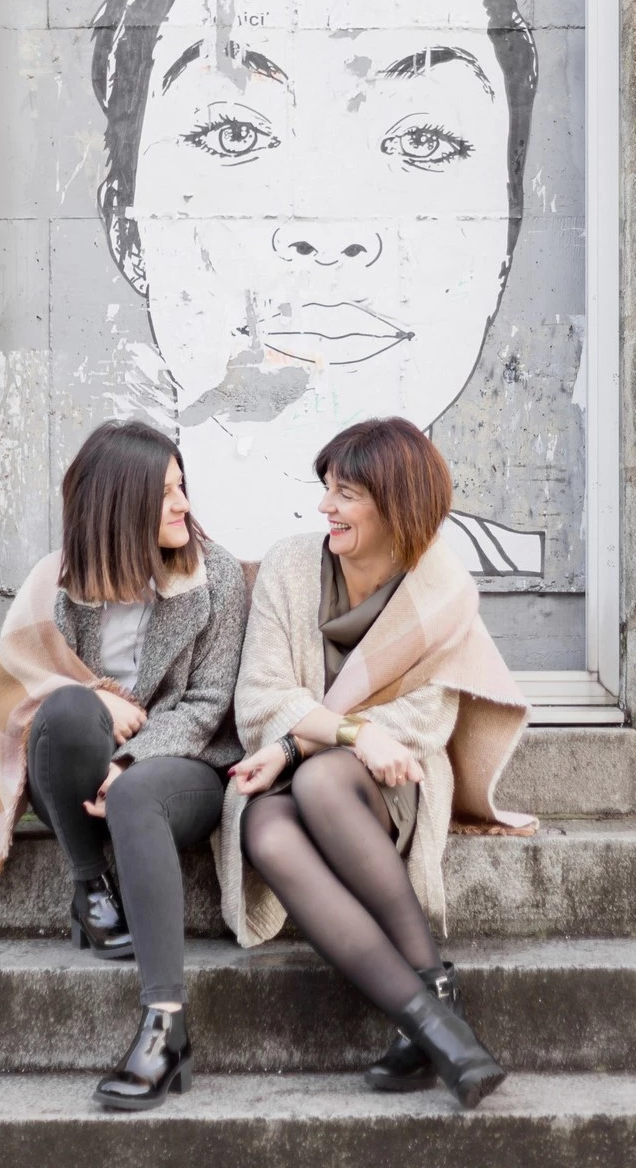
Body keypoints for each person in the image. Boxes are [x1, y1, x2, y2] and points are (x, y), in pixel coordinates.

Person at [86, 0, 551, 573]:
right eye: (234, 135)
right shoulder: (81, 593)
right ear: (127, 228)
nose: (333, 225)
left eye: (424, 140)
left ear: (506, 236)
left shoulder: (518, 595)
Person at [215, 416, 534, 1109]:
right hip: (294, 770)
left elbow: (425, 721)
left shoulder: (440, 588)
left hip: (394, 783)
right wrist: (350, 733)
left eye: (348, 494)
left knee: (326, 779)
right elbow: (262, 693)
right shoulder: (292, 566)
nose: (326, 506)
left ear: (398, 506)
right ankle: (437, 1018)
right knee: (263, 829)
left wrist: (311, 741)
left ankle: (430, 998)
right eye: (327, 488)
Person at [0, 419, 246, 1111]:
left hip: (186, 767)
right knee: (60, 710)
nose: (183, 505)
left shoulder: (218, 576)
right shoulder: (58, 583)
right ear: (119, 503)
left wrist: (133, 758)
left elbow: (209, 707)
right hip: (77, 762)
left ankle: (164, 1024)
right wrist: (87, 695)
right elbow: (19, 688)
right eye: (165, 492)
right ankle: (90, 886)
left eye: (182, 487)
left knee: (138, 791)